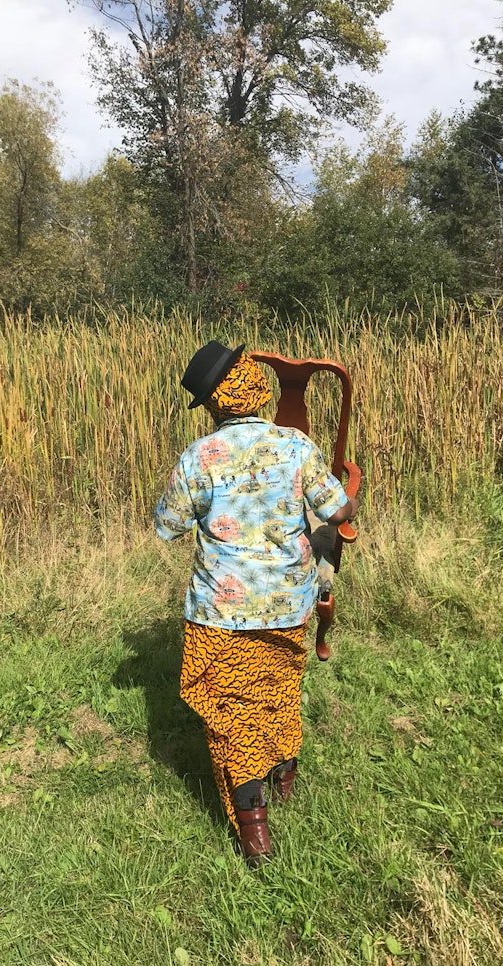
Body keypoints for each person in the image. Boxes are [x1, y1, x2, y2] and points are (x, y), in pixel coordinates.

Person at [154, 340, 357, 865]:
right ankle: (283, 774)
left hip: (221, 613)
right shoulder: (296, 446)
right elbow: (336, 513)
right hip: (289, 603)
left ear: (216, 401)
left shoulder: (200, 456)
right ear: (252, 385)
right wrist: (350, 483)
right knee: (277, 686)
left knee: (232, 712)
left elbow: (167, 526)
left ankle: (253, 826)